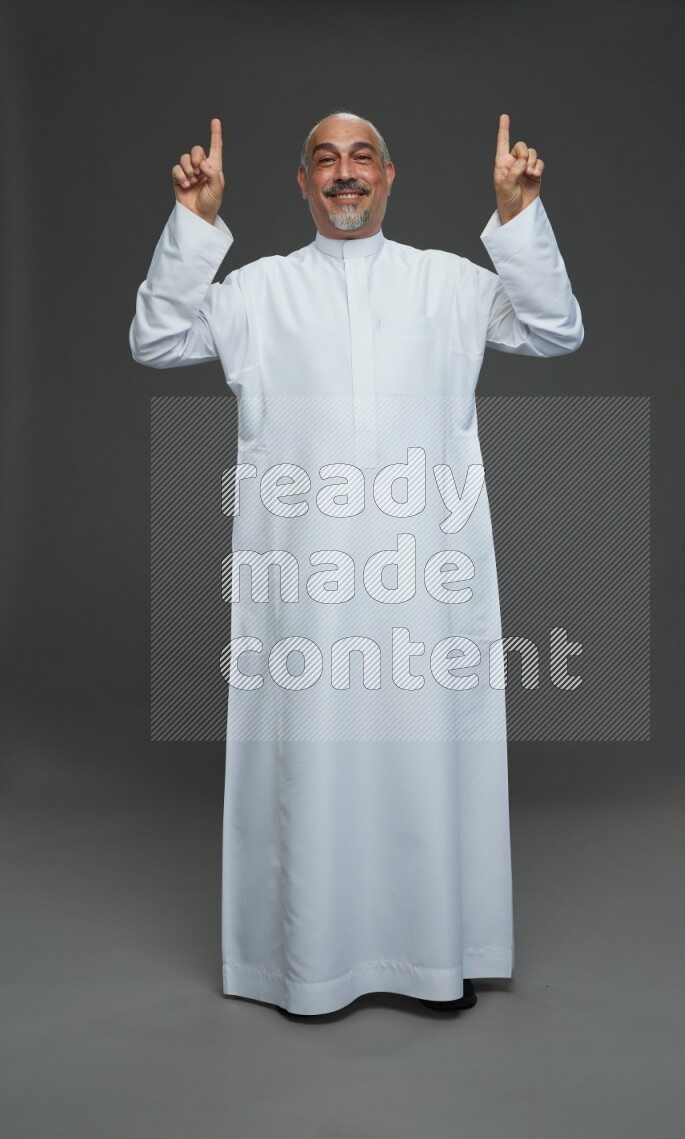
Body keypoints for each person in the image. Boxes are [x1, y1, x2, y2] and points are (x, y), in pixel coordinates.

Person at [130, 110, 583, 1016]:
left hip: (425, 583)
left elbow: (555, 327)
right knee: (312, 760)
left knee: (425, 754)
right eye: (326, 161)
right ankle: (309, 963)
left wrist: (518, 217)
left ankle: (433, 956)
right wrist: (194, 226)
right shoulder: (257, 292)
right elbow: (157, 338)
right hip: (304, 589)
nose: (345, 174)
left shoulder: (449, 284)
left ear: (389, 177)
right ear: (301, 183)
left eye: (362, 158)